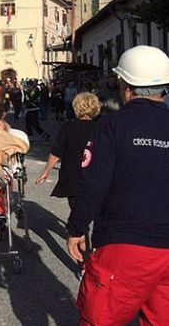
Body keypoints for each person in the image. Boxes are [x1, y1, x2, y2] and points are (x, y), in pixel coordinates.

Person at [66, 45, 169, 325]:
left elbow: (94, 183)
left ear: (126, 87)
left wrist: (76, 227)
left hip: (125, 245)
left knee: (100, 319)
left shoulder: (112, 125)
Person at [35, 92, 100, 277]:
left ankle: (83, 264)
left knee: (80, 221)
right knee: (98, 221)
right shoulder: (102, 127)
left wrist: (46, 171)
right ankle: (96, 259)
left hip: (73, 180)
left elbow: (57, 152)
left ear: (76, 108)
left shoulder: (68, 127)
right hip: (96, 180)